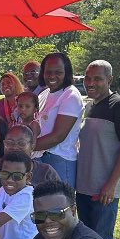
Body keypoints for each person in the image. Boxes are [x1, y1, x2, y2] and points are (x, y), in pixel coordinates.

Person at [76, 60, 120, 239]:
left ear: (110, 80)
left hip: (103, 190)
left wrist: (111, 184)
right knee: (86, 238)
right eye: (87, 77)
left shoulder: (119, 106)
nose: (90, 83)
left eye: (97, 79)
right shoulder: (90, 106)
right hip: (84, 187)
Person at [0, 125, 60, 219]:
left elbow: (58, 209)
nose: (15, 147)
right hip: (0, 229)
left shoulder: (47, 172)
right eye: (9, 143)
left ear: (32, 146)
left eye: (21, 143)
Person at [34, 52, 84, 188]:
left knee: (58, 207)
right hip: (40, 157)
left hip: (59, 160)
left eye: (58, 72)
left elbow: (58, 136)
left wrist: (24, 148)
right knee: (41, 206)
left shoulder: (70, 95)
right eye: (48, 72)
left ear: (67, 73)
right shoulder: (44, 93)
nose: (52, 76)